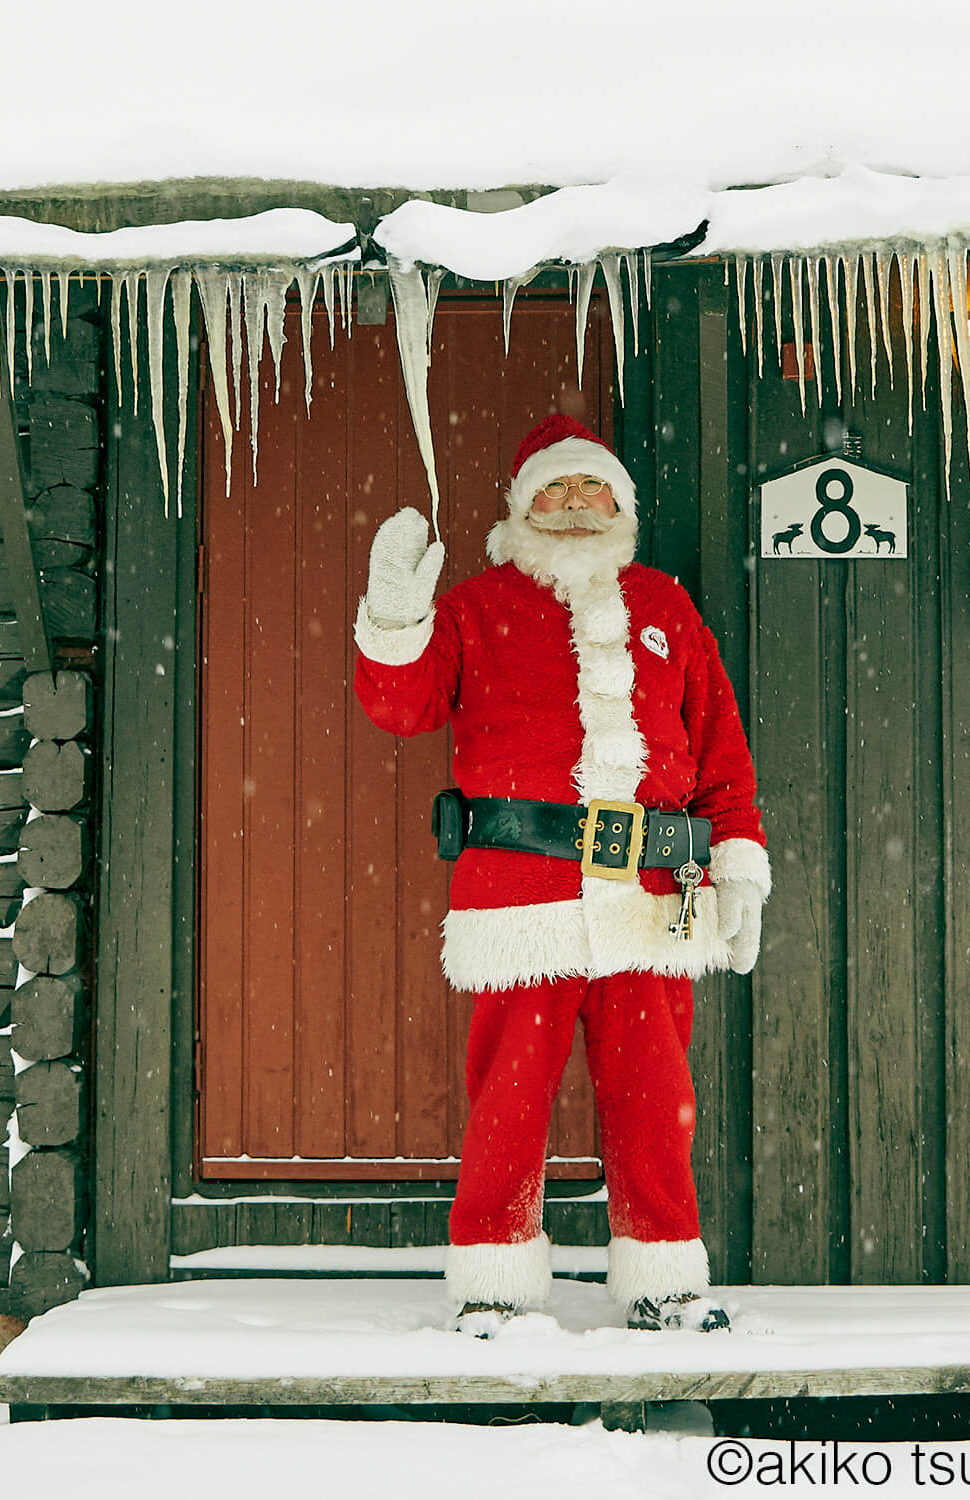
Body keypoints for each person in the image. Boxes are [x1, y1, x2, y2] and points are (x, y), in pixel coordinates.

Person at [354, 414, 769, 1337]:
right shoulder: (475, 608)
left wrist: (737, 868)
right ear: (522, 504)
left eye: (593, 488)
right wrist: (394, 616)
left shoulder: (666, 609)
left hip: (651, 901)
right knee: (507, 1098)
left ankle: (664, 1282)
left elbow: (721, 758)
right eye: (556, 487)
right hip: (522, 900)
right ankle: (493, 1287)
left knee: (656, 1105)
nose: (575, 503)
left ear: (620, 505)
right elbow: (401, 706)